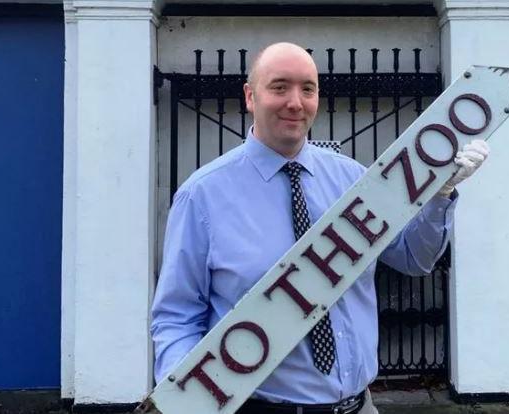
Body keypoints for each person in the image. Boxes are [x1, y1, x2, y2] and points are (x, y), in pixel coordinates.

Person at [150, 42, 489, 414]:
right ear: (250, 96)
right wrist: (184, 405)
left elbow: (414, 257)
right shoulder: (202, 196)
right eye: (279, 87)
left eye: (307, 89)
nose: (295, 102)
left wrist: (441, 192)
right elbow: (177, 316)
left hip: (361, 407)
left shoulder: (353, 180)